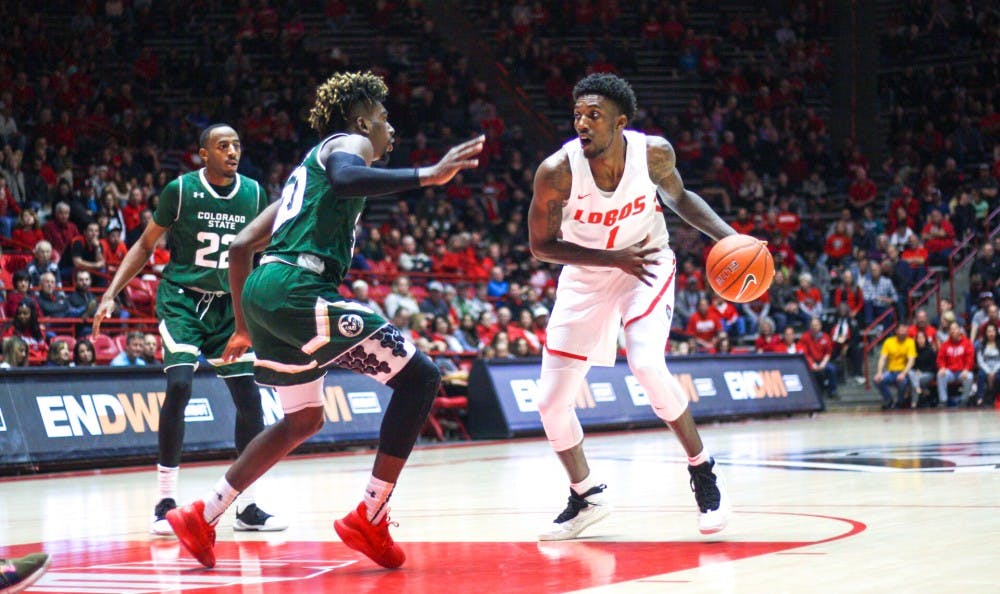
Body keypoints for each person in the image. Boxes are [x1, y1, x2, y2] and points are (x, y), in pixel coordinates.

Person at [164, 71, 483, 569]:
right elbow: (348, 176)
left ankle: (203, 513)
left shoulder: (302, 179)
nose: (389, 128)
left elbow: (244, 243)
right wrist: (428, 175)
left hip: (266, 294)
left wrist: (246, 325)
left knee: (304, 418)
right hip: (297, 288)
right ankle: (370, 515)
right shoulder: (346, 145)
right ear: (361, 121)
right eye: (382, 118)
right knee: (422, 378)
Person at [526, 73, 732, 541]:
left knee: (645, 362)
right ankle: (586, 497)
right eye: (577, 114)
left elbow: (680, 198)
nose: (582, 123)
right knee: (550, 402)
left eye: (594, 115)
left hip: (646, 262)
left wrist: (730, 236)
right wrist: (607, 257)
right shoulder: (557, 170)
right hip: (585, 275)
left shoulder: (653, 153)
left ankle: (703, 472)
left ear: (620, 121)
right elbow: (541, 245)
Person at [92, 123, 284, 536]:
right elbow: (145, 245)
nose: (232, 151)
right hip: (182, 300)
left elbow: (262, 254)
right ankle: (164, 501)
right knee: (180, 385)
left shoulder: (253, 193)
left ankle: (247, 506)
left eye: (237, 144)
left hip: (229, 307)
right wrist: (111, 292)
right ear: (203, 153)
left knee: (249, 398)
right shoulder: (179, 190)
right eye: (223, 145)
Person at [874, 323, 916, 410]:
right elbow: (882, 358)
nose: (903, 332)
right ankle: (888, 399)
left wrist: (903, 373)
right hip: (891, 372)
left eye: (905, 331)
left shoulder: (910, 342)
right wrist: (879, 372)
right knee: (877, 380)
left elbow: (911, 361)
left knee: (903, 381)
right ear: (896, 331)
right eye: (901, 330)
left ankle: (900, 402)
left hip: (904, 372)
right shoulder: (888, 341)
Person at [936, 321, 974, 407]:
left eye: (955, 328)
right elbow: (940, 358)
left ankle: (964, 401)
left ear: (960, 330)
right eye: (951, 329)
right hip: (950, 372)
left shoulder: (967, 343)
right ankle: (943, 401)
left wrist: (966, 369)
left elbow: (970, 358)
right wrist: (942, 367)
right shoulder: (945, 344)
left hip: (962, 371)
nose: (953, 331)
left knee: (969, 376)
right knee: (940, 375)